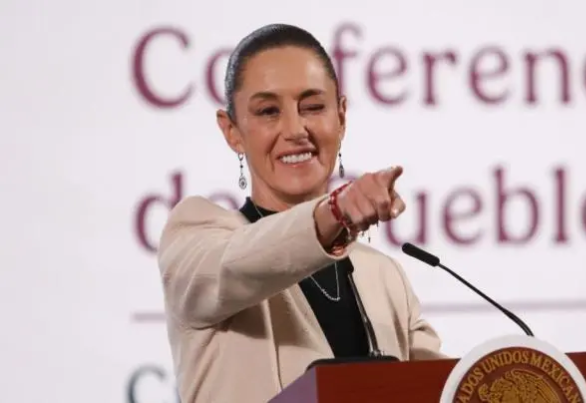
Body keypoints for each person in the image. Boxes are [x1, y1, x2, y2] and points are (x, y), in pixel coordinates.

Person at [157, 23, 445, 403]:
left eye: (312, 107)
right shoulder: (195, 236)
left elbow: (445, 388)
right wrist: (336, 211)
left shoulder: (384, 277)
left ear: (341, 117)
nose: (295, 129)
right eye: (268, 111)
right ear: (232, 131)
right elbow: (238, 264)